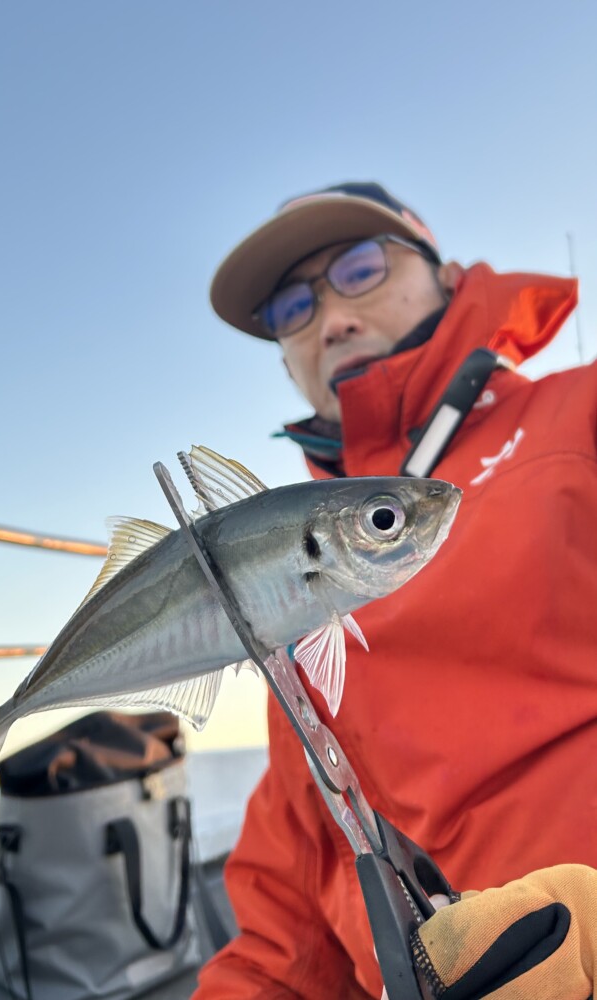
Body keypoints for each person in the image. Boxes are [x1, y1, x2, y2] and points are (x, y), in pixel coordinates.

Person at [192, 182, 597, 999]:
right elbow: (282, 932)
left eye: (362, 268)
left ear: (446, 276)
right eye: (292, 308)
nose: (330, 319)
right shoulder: (283, 591)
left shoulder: (579, 419)